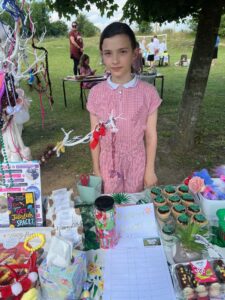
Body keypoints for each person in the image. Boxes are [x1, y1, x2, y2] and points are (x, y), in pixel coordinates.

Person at [87, 22, 162, 194]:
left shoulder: (148, 93)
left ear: (135, 53)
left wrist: (149, 170)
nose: (115, 60)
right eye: (108, 53)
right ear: (102, 56)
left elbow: (151, 135)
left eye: (122, 51)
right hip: (107, 164)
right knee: (111, 211)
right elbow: (94, 136)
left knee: (134, 208)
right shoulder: (96, 94)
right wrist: (97, 170)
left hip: (136, 162)